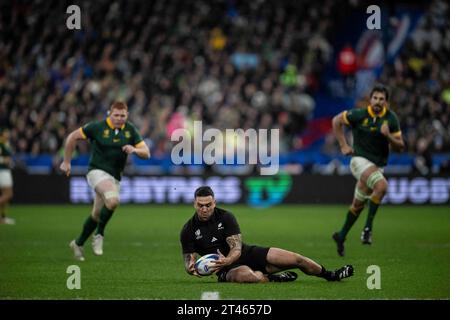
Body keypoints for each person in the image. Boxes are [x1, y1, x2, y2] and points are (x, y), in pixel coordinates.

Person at [180, 186, 354, 283]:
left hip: (247, 254)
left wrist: (228, 258)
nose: (204, 209)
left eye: (208, 205)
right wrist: (193, 269)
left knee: (297, 259)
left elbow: (237, 249)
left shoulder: (226, 217)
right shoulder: (188, 230)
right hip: (227, 269)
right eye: (200, 205)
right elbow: (189, 261)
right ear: (194, 204)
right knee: (246, 276)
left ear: (214, 202)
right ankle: (271, 278)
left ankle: (331, 275)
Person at [60, 102, 150, 261]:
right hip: (96, 172)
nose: (119, 118)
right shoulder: (97, 127)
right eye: (116, 115)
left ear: (127, 115)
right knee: (113, 200)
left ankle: (78, 243)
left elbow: (146, 153)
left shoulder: (130, 130)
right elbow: (72, 137)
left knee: (96, 214)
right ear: (109, 113)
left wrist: (134, 150)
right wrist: (67, 161)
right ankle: (99, 234)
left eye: (122, 115)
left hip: (115, 177)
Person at [331, 84, 404, 256]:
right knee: (382, 186)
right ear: (370, 99)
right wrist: (343, 145)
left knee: (358, 205)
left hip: (377, 166)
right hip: (358, 161)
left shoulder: (391, 119)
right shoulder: (359, 114)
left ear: (386, 102)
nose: (378, 102)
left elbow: (401, 146)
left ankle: (341, 236)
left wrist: (388, 136)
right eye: (375, 98)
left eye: (381, 99)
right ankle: (368, 229)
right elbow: (336, 121)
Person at [0, 128, 15, 225]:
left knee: (5, 195)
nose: (8, 134)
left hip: (5, 170)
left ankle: (2, 218)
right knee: (8, 194)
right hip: (2, 171)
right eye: (6, 132)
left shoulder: (6, 143)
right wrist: (4, 160)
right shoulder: (1, 143)